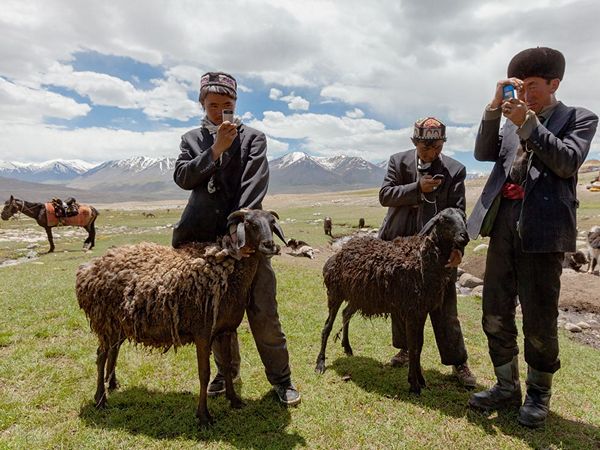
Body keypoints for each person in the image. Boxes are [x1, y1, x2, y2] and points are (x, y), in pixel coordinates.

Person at [467, 47, 598, 427]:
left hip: (543, 231)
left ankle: (538, 395)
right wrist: (494, 109)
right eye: (518, 88)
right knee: (493, 308)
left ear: (554, 84)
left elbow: (566, 161)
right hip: (504, 224)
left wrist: (529, 124)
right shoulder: (510, 120)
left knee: (540, 316)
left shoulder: (579, 118)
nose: (524, 95)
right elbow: (481, 152)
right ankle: (505, 386)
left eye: (533, 87)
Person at [172, 71, 301, 406]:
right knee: (214, 314)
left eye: (226, 104)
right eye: (213, 105)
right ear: (202, 103)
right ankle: (226, 373)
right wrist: (216, 149)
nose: (219, 111)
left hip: (246, 240)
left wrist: (239, 231)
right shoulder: (191, 140)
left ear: (235, 104)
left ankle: (282, 379)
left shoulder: (253, 138)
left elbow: (253, 188)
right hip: (203, 243)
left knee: (262, 309)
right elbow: (184, 178)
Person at [378, 117, 476, 388]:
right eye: (425, 146)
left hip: (438, 252)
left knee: (445, 306)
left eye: (436, 147)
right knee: (400, 300)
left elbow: (458, 212)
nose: (431, 152)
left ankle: (458, 362)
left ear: (443, 143)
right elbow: (385, 195)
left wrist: (458, 248)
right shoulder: (399, 162)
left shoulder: (455, 170)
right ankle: (405, 349)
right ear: (414, 142)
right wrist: (417, 189)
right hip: (397, 245)